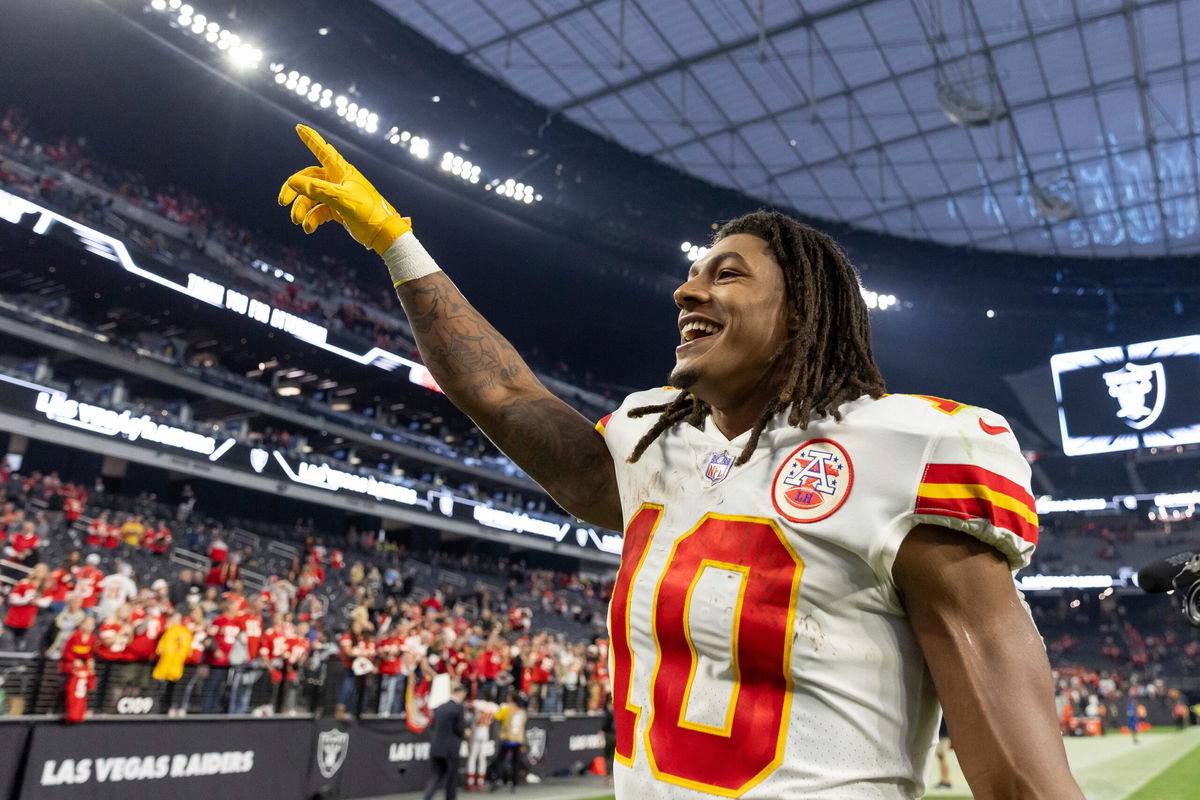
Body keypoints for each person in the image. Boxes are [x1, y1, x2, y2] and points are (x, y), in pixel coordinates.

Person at [280, 125, 1083, 798]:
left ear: (803, 312)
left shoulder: (910, 448)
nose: (687, 292)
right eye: (692, 274)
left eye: (725, 274)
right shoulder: (654, 441)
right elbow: (505, 396)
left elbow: (1020, 775)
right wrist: (397, 243)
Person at [424, 684, 468, 800]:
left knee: (436, 776)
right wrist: (466, 732)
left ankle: (427, 797)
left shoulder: (440, 707)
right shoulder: (458, 708)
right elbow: (460, 729)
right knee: (451, 778)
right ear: (461, 694)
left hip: (436, 747)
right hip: (451, 749)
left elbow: (432, 727)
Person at [491, 692, 528, 792]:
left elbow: (497, 717)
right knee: (515, 762)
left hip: (507, 739)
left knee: (501, 760)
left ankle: (499, 779)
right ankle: (514, 783)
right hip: (517, 739)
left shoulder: (506, 708)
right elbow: (523, 726)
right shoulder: (522, 711)